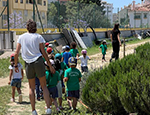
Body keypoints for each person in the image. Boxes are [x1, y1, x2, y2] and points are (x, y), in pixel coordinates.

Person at [14, 19, 55, 115]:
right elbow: (43, 52)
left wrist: (16, 65)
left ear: (27, 27)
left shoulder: (21, 37)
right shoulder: (38, 37)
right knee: (43, 85)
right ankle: (48, 108)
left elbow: (16, 53)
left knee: (31, 88)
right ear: (35, 27)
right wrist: (50, 65)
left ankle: (33, 110)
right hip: (38, 61)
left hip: (28, 63)